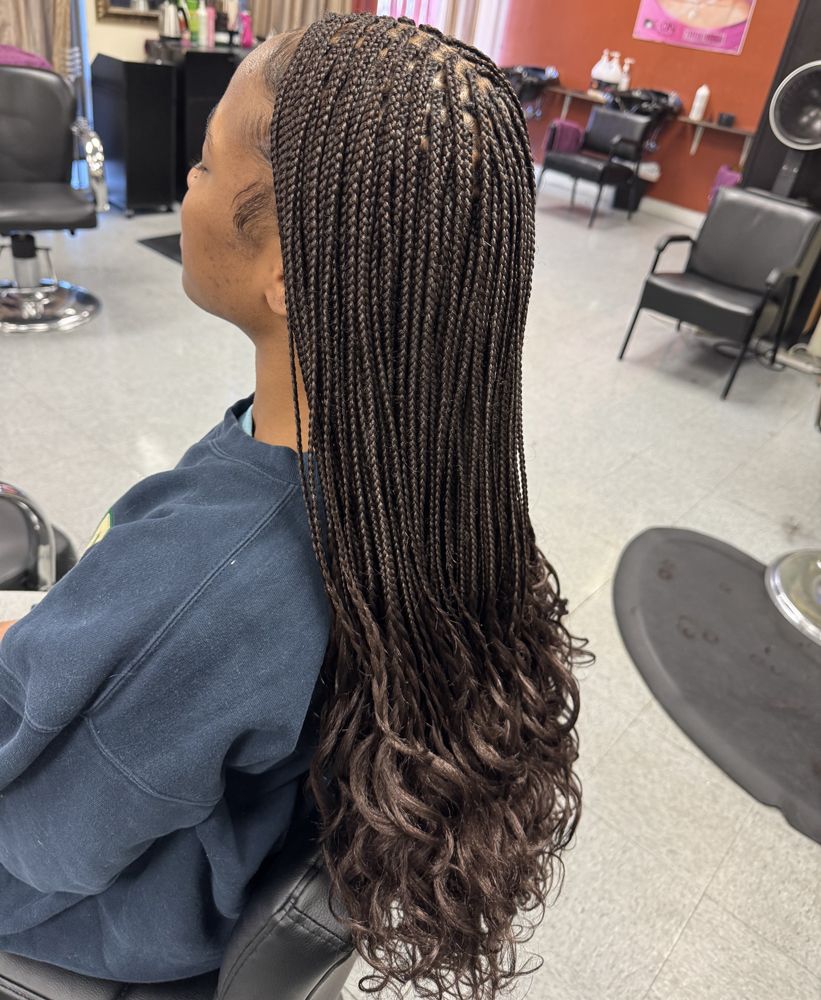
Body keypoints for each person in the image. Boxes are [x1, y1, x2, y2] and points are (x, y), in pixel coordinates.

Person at [0, 12, 588, 998]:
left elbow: (44, 839)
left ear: (286, 269)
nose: (183, 190)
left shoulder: (212, 572)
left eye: (199, 166)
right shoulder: (426, 475)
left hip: (86, 921)